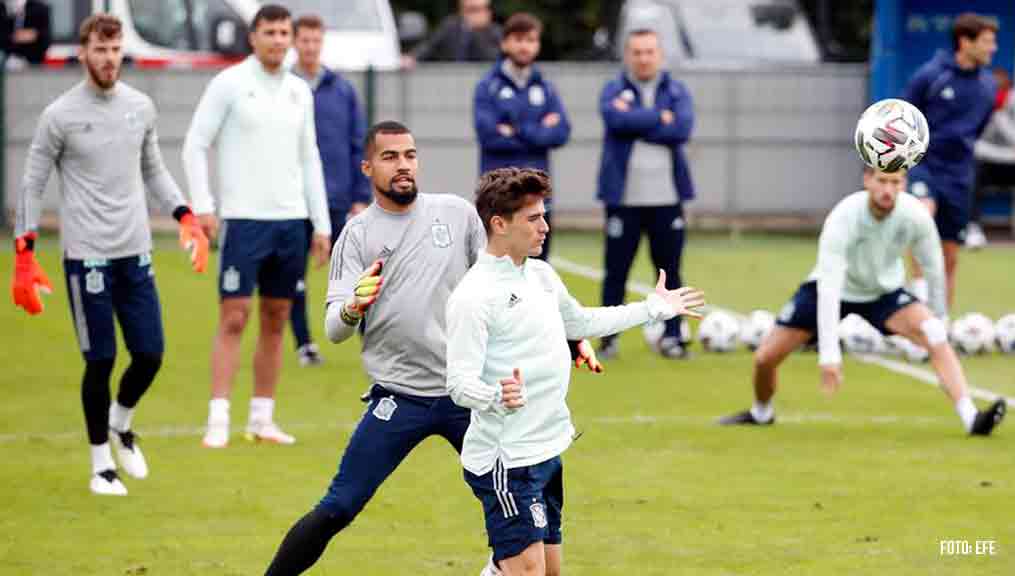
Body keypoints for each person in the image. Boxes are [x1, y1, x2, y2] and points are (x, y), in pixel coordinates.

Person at [263, 122, 600, 576]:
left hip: (471, 396)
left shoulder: (456, 214)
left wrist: (571, 334)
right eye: (390, 157)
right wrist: (353, 308)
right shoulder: (357, 236)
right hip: (400, 397)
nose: (403, 165)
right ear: (368, 167)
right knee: (339, 506)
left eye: (409, 155)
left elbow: (509, 276)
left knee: (527, 494)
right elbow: (333, 331)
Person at [446, 167, 705, 576]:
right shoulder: (474, 296)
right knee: (527, 571)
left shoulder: (542, 276)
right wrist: (495, 396)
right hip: (507, 458)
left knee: (545, 572)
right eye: (533, 219)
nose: (545, 227)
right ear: (499, 224)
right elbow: (458, 383)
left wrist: (653, 309)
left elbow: (580, 324)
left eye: (544, 215)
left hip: (547, 448)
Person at [12, 13, 209, 495]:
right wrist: (24, 253)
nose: (107, 58)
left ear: (122, 51)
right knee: (99, 360)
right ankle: (101, 463)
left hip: (135, 253)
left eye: (114, 48)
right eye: (98, 50)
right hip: (87, 259)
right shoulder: (59, 115)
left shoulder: (140, 107)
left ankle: (122, 422)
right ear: (83, 54)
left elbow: (153, 169)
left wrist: (186, 216)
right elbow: (32, 184)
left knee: (150, 355)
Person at [719, 166, 1006, 436]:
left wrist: (941, 315)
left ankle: (971, 418)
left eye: (895, 182)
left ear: (904, 184)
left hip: (883, 293)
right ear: (867, 180)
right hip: (833, 289)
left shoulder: (915, 215)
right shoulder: (844, 216)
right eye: (882, 181)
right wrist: (829, 356)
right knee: (764, 358)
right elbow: (829, 287)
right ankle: (761, 412)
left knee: (933, 333)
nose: (888, 190)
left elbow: (933, 266)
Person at [182, 4, 331, 448]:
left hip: (290, 223)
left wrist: (320, 224)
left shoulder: (299, 92)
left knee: (277, 316)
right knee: (234, 316)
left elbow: (310, 159)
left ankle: (262, 418)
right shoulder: (230, 84)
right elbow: (195, 144)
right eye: (270, 32)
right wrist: (204, 206)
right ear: (253, 37)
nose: (278, 40)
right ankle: (218, 418)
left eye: (284, 32)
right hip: (244, 222)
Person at [595, 28, 696, 360]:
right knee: (616, 271)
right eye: (637, 52)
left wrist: (635, 122)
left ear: (660, 55)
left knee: (670, 270)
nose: (643, 57)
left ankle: (672, 336)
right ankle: (608, 338)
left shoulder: (676, 90)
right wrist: (657, 119)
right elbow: (614, 120)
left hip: (667, 198)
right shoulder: (613, 89)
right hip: (623, 200)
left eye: (649, 51)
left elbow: (680, 128)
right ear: (628, 56)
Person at [289, 14, 370, 367]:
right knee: (293, 274)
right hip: (292, 201)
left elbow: (358, 144)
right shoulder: (283, 86)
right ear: (295, 42)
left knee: (358, 271)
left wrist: (360, 194)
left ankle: (371, 335)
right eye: (303, 40)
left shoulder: (342, 89)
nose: (309, 47)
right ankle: (304, 343)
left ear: (321, 43)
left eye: (315, 41)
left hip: (337, 195)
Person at [902, 12, 998, 309]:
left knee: (949, 255)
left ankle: (940, 322)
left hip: (959, 175)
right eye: (986, 42)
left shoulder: (988, 85)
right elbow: (905, 117)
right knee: (922, 219)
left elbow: (978, 127)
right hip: (925, 165)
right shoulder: (930, 76)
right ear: (964, 42)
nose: (992, 48)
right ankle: (916, 309)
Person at [473, 12, 570, 261]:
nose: (524, 46)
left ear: (537, 45)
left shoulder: (546, 87)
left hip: (536, 193)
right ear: (505, 43)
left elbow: (561, 132)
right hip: (499, 195)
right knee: (497, 267)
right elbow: (489, 136)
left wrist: (515, 128)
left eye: (530, 40)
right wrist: (538, 128)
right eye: (518, 39)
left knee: (538, 268)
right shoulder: (488, 86)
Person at [970, 67, 1015, 249]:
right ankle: (973, 227)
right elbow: (974, 144)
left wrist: (1000, 117)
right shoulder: (981, 103)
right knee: (970, 169)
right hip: (989, 164)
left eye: (1000, 89)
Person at [401, 0, 501, 69]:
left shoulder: (494, 31)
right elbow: (430, 45)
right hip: (451, 81)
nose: (472, 15)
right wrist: (413, 57)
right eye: (469, 10)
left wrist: (477, 32)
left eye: (476, 10)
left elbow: (493, 58)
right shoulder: (450, 26)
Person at [2, 0, 51, 65]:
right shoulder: (4, 8)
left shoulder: (39, 8)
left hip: (33, 59)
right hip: (8, 57)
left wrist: (30, 35)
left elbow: (45, 37)